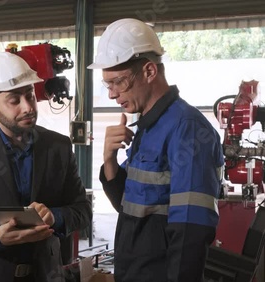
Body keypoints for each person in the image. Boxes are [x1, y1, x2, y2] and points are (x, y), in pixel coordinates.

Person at [88, 18, 224, 282]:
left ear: (149, 72)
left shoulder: (188, 129)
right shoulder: (148, 127)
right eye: (108, 84)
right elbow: (127, 207)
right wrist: (109, 160)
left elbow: (190, 232)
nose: (112, 95)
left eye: (118, 82)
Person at [0, 52, 92, 282]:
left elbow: (82, 210)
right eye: (14, 100)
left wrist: (55, 217)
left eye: (30, 96)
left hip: (44, 273)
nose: (28, 107)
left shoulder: (58, 147)